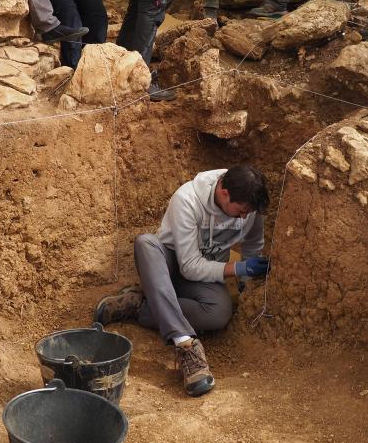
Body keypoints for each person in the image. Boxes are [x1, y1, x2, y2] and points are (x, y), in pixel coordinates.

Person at [94, 165, 270, 397]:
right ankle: (185, 344)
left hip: (203, 274)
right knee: (146, 243)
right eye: (241, 211)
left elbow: (253, 245)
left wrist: (247, 282)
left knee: (219, 313)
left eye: (249, 213)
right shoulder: (187, 199)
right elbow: (188, 266)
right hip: (168, 268)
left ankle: (140, 307)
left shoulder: (248, 203)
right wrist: (236, 268)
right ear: (225, 193)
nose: (245, 217)